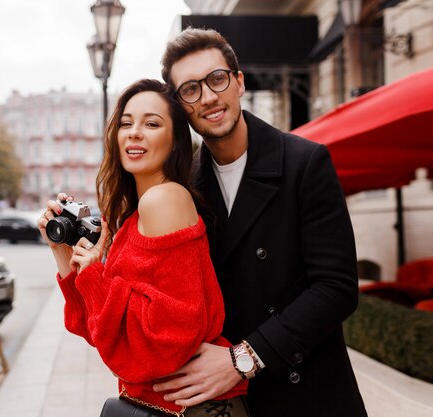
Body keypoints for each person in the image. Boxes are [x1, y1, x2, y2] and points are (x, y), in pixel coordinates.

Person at [152, 28, 368, 417]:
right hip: (229, 406)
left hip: (308, 396)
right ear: (180, 106)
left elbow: (337, 288)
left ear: (239, 82)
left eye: (216, 79)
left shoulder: (305, 162)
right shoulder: (183, 190)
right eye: (190, 90)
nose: (208, 98)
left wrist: (242, 360)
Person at [37, 79, 249, 417]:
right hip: (161, 406)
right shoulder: (136, 214)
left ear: (175, 140)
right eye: (126, 123)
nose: (134, 133)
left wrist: (95, 273)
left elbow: (171, 337)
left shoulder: (164, 199)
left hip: (190, 410)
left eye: (151, 123)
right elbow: (100, 331)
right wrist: (62, 251)